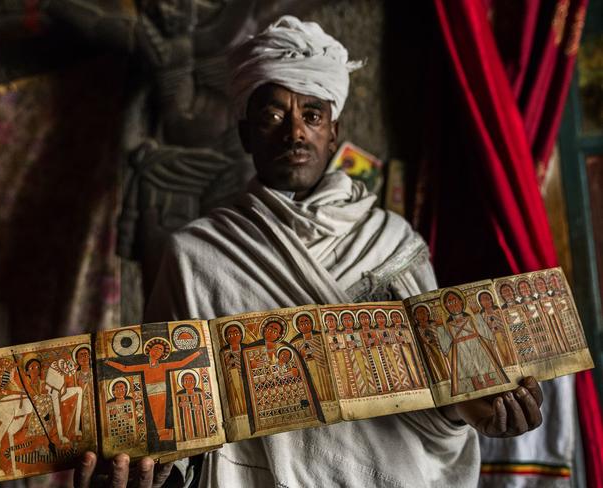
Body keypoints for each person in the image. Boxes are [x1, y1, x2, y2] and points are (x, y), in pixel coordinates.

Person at [74, 15, 543, 488]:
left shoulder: (395, 241)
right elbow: (174, 420)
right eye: (272, 116)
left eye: (312, 116)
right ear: (246, 136)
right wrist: (146, 470)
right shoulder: (197, 255)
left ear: (333, 132)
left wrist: (474, 407)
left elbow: (440, 386)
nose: (295, 132)